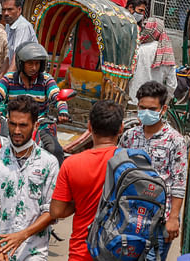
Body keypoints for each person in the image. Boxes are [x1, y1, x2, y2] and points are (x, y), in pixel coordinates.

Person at [0, 96, 59, 261]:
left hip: (33, 253)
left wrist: (22, 235)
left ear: (35, 126)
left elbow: (51, 211)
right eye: (12, 124)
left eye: (23, 125)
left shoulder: (49, 163)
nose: (16, 131)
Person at [119, 82, 187, 261]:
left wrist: (173, 218)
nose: (146, 113)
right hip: (129, 214)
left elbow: (179, 182)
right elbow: (118, 171)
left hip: (160, 219)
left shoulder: (175, 141)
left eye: (151, 108)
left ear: (163, 109)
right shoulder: (129, 136)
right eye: (142, 108)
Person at [50, 100, 123, 261]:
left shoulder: (72, 164)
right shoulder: (130, 161)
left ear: (89, 127)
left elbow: (56, 211)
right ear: (121, 128)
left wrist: (82, 201)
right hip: (121, 251)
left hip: (82, 251)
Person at [0, 42, 69, 163]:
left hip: (40, 126)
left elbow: (58, 97)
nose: (34, 68)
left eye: (37, 64)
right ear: (21, 63)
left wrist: (63, 111)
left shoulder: (46, 80)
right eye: (30, 63)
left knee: (55, 151)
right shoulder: (9, 79)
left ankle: (55, 181)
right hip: (13, 126)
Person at [130, 18, 178, 103]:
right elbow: (172, 85)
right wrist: (165, 101)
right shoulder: (167, 53)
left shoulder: (138, 49)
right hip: (154, 103)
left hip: (135, 99)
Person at [0, 0, 38, 79]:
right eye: (3, 10)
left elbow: (17, 55)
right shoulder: (9, 25)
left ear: (19, 10)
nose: (6, 13)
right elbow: (9, 57)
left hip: (28, 76)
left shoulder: (22, 26)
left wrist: (6, 80)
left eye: (10, 9)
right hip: (18, 75)